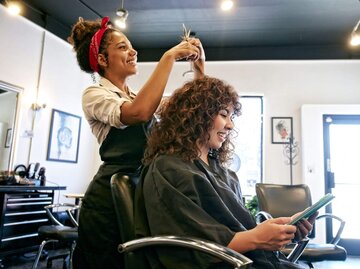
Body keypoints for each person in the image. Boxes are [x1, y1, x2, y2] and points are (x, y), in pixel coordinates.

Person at [135, 76, 317, 269]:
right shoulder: (168, 169)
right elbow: (191, 247)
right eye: (223, 114)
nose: (230, 125)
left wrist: (283, 230)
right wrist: (256, 238)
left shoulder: (224, 173)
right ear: (197, 115)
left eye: (231, 117)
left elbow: (239, 228)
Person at [68, 16, 205, 269]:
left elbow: (190, 109)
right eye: (122, 47)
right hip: (106, 203)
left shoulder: (136, 95)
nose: (133, 51)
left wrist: (199, 68)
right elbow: (137, 113)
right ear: (101, 59)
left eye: (131, 46)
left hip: (139, 194)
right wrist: (167, 58)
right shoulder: (95, 94)